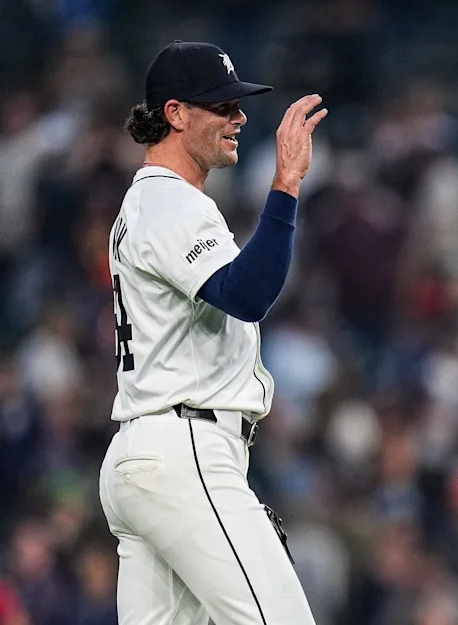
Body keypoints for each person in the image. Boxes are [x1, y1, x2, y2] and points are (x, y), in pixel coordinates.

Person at [99, 40, 325, 624]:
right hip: (184, 449)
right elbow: (246, 295)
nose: (239, 118)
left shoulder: (148, 205)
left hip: (149, 450)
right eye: (221, 106)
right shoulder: (170, 203)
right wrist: (286, 186)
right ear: (175, 114)